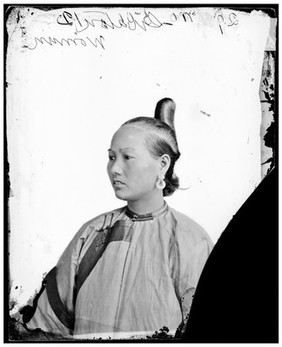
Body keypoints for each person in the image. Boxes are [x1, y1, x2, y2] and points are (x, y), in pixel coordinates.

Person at [19, 98, 213, 340]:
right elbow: (47, 324)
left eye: (127, 157)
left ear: (162, 164)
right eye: (111, 157)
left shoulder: (190, 241)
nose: (115, 169)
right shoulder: (92, 233)